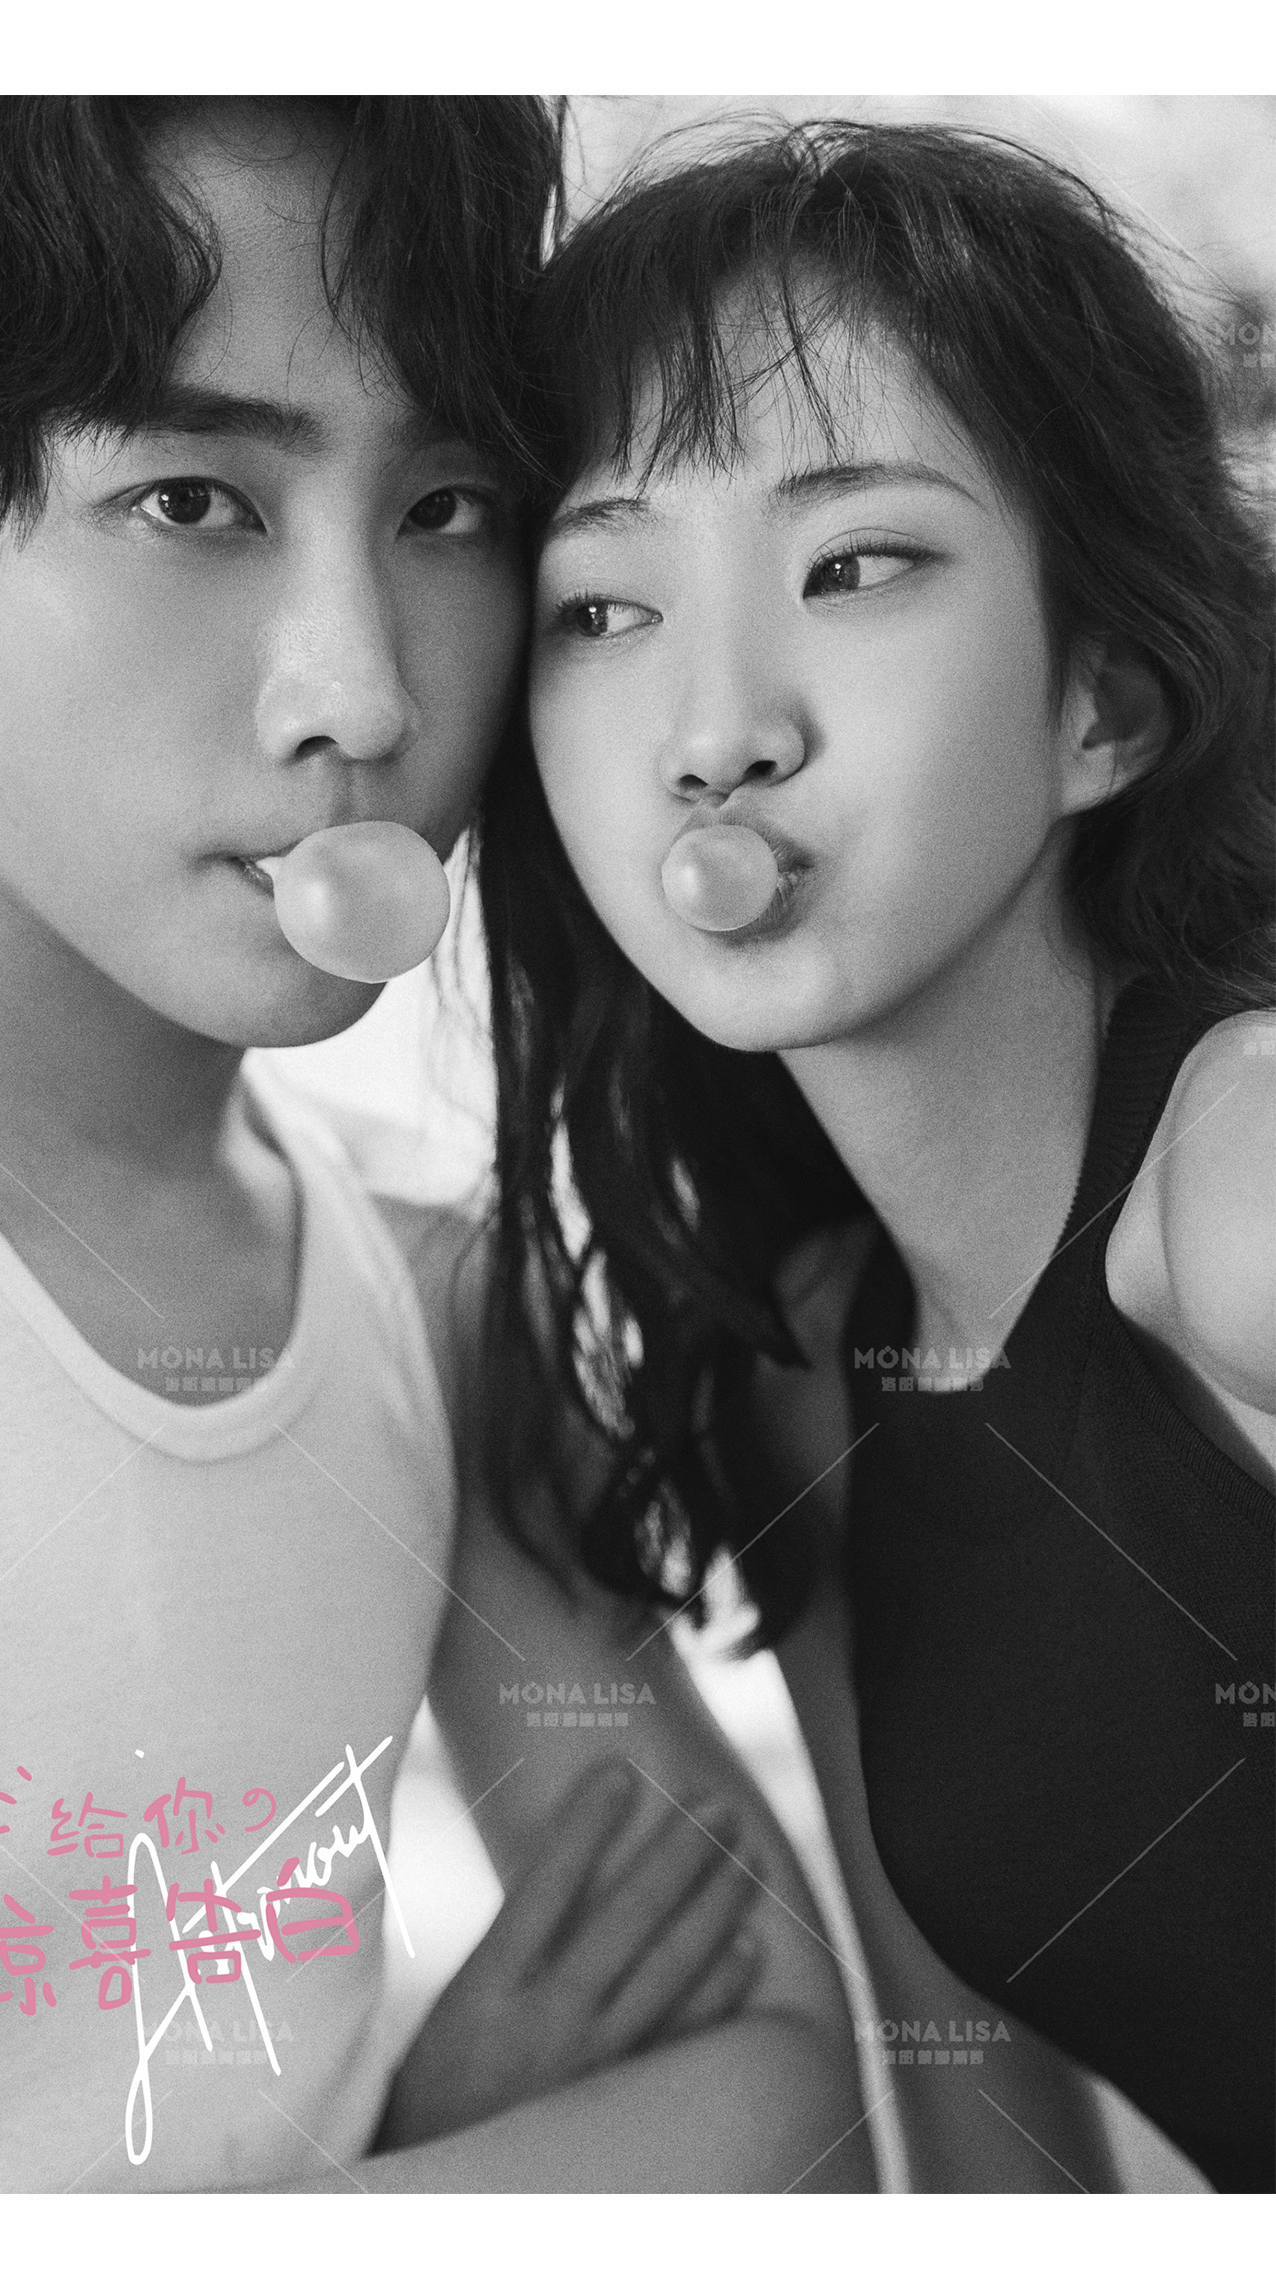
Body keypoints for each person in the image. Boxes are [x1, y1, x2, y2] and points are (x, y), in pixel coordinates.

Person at [0, 95, 868, 2192]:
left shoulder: (430, 1303)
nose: (365, 694)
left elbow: (776, 2087)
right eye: (190, 500)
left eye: (446, 508)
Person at [475, 120, 1275, 2192]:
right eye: (601, 604)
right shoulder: (804, 1371)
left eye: (857, 565)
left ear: (1103, 701)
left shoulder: (1244, 1183)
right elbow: (983, 2137)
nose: (716, 728)